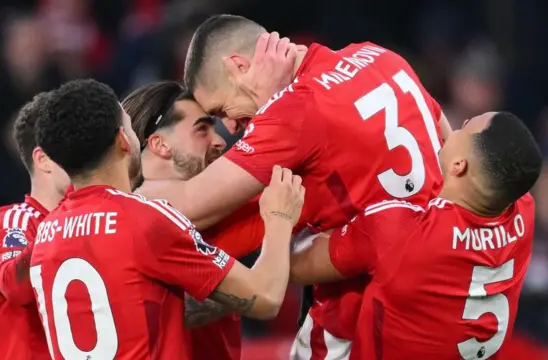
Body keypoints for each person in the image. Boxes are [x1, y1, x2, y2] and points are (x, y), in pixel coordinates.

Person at [136, 14, 452, 357]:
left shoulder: (294, 110)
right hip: (441, 294)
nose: (230, 126)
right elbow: (449, 147)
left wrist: (101, 190)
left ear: (238, 67)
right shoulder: (379, 57)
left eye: (220, 109)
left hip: (360, 317)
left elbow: (180, 209)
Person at [31, 79, 305, 360]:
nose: (219, 140)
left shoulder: (45, 235)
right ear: (123, 140)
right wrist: (279, 217)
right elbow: (266, 297)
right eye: (128, 125)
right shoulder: (146, 219)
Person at [289, 111, 543, 359]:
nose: (458, 125)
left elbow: (295, 267)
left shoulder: (400, 229)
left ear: (459, 165)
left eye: (465, 127)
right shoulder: (523, 209)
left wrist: (281, 216)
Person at [125, 81, 264, 360]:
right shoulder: (141, 220)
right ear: (160, 144)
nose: (220, 141)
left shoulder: (218, 212)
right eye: (202, 129)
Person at [0, 92, 70, 360]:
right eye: (74, 145)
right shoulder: (13, 223)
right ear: (43, 159)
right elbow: (15, 285)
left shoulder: (94, 223)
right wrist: (63, 231)